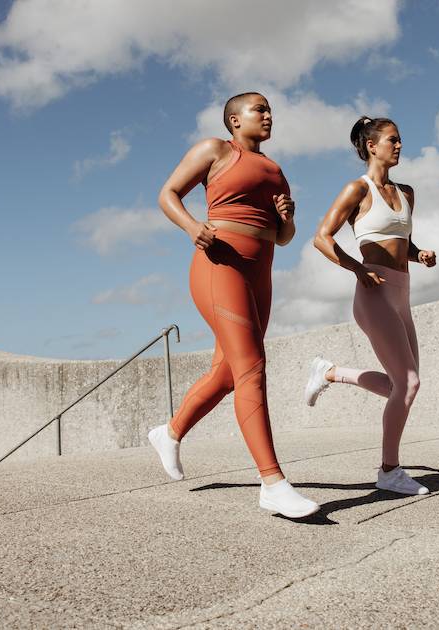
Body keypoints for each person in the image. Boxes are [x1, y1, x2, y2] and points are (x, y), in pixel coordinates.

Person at [148, 92, 319, 518]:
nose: (267, 115)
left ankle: (169, 433)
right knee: (252, 366)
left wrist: (288, 218)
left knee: (227, 373)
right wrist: (191, 226)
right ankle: (273, 483)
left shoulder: (276, 171)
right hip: (218, 264)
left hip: (260, 272)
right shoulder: (216, 150)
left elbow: (282, 238)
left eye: (270, 110)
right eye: (258, 109)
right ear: (233, 120)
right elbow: (168, 193)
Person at [307, 116, 437, 496]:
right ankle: (389, 470)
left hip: (402, 292)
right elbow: (322, 238)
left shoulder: (407, 193)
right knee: (409, 383)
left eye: (400, 140)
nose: (399, 146)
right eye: (392, 140)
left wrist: (420, 254)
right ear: (371, 146)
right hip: (373, 291)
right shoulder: (357, 190)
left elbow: (402, 243)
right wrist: (356, 268)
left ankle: (330, 372)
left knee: (403, 386)